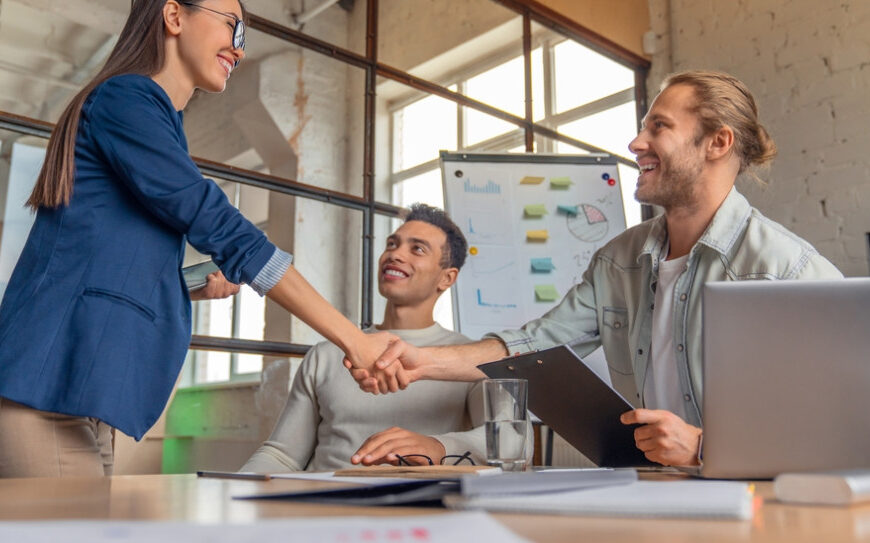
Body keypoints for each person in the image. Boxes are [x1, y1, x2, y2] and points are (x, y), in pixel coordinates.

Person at [349, 70, 843, 468]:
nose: (635, 142)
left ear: (717, 142)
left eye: (659, 127)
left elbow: (840, 419)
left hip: (759, 510)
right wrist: (422, 361)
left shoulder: (787, 268)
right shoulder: (618, 259)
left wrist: (702, 447)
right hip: (651, 493)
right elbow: (535, 342)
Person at [0, 0, 388, 478]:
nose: (239, 50)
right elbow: (217, 222)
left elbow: (97, 264)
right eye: (232, 27)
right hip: (44, 390)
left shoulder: (154, 117)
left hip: (77, 391)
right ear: (174, 16)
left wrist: (186, 285)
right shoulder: (127, 99)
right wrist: (354, 340)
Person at [241, 204, 486, 472]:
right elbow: (282, 455)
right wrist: (232, 495)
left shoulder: (470, 359)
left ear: (447, 278)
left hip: (420, 508)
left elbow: (506, 441)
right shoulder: (326, 354)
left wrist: (438, 446)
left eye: (417, 249)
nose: (395, 254)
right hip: (320, 505)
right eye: (392, 244)